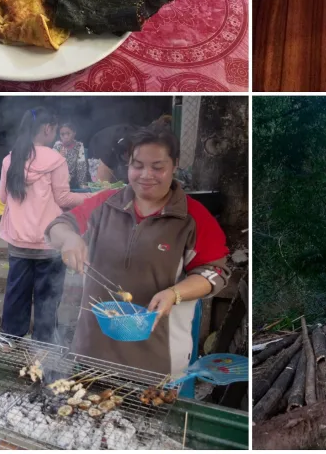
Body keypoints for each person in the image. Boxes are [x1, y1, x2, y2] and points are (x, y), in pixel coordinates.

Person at [47, 124, 231, 377]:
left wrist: (174, 293)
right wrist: (68, 239)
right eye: (137, 165)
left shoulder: (194, 217)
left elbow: (215, 273)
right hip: (92, 349)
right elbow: (59, 225)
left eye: (158, 167)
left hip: (157, 359)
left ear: (175, 165)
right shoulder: (105, 203)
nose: (146, 175)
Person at [0, 108, 92, 344]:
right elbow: (64, 199)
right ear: (48, 129)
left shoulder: (10, 159)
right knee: (47, 296)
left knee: (16, 294)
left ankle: (10, 340)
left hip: (18, 241)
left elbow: (1, 198)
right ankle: (42, 342)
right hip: (48, 243)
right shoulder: (55, 159)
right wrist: (94, 196)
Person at [53, 123, 90, 190]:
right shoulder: (57, 146)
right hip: (59, 182)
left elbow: (81, 166)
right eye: (62, 134)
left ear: (74, 133)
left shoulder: (79, 146)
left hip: (73, 181)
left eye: (68, 133)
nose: (65, 137)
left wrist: (82, 184)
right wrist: (59, 157)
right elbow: (51, 166)